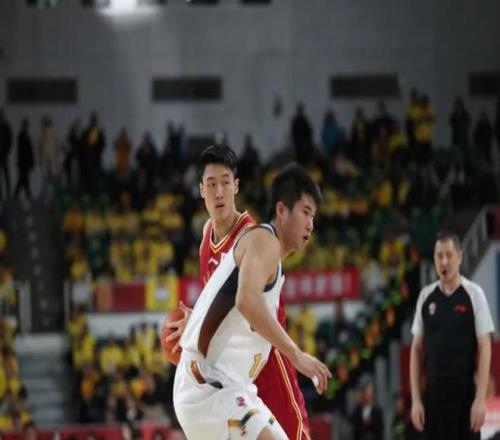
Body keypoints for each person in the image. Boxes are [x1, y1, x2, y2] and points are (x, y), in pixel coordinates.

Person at [173, 164, 331, 439]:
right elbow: (246, 300)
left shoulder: (269, 259)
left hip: (234, 387)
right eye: (305, 212)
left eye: (313, 216)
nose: (310, 224)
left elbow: (230, 302)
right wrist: (297, 356)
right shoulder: (265, 240)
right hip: (206, 384)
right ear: (282, 210)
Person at [410, 231, 494, 440]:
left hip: (465, 397)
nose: (444, 261)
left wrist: (480, 399)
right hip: (433, 399)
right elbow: (416, 349)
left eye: (449, 255)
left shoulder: (474, 294)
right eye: (439, 256)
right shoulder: (425, 296)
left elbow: (485, 347)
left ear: (460, 257)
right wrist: (416, 400)